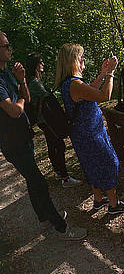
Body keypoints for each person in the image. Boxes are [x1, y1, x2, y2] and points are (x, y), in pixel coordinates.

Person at [0, 32, 86, 240]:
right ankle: (61, 227)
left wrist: (21, 81)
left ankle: (43, 217)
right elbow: (15, 111)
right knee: (39, 182)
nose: (10, 48)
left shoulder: (9, 74)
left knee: (32, 180)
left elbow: (26, 99)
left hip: (24, 135)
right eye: (5, 46)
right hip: (12, 142)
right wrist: (20, 98)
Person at [56, 44, 124, 215]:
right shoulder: (74, 84)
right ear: (72, 61)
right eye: (80, 57)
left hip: (84, 134)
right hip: (91, 134)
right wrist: (111, 72)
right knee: (108, 163)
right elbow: (104, 96)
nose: (83, 59)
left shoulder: (71, 83)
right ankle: (113, 205)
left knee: (91, 165)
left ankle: (98, 199)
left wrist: (103, 73)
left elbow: (90, 92)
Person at [24, 52, 83, 188]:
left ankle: (58, 171)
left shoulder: (34, 80)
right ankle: (65, 178)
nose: (43, 64)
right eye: (40, 62)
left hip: (43, 120)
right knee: (59, 144)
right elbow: (47, 97)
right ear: (35, 65)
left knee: (52, 143)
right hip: (45, 119)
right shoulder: (33, 82)